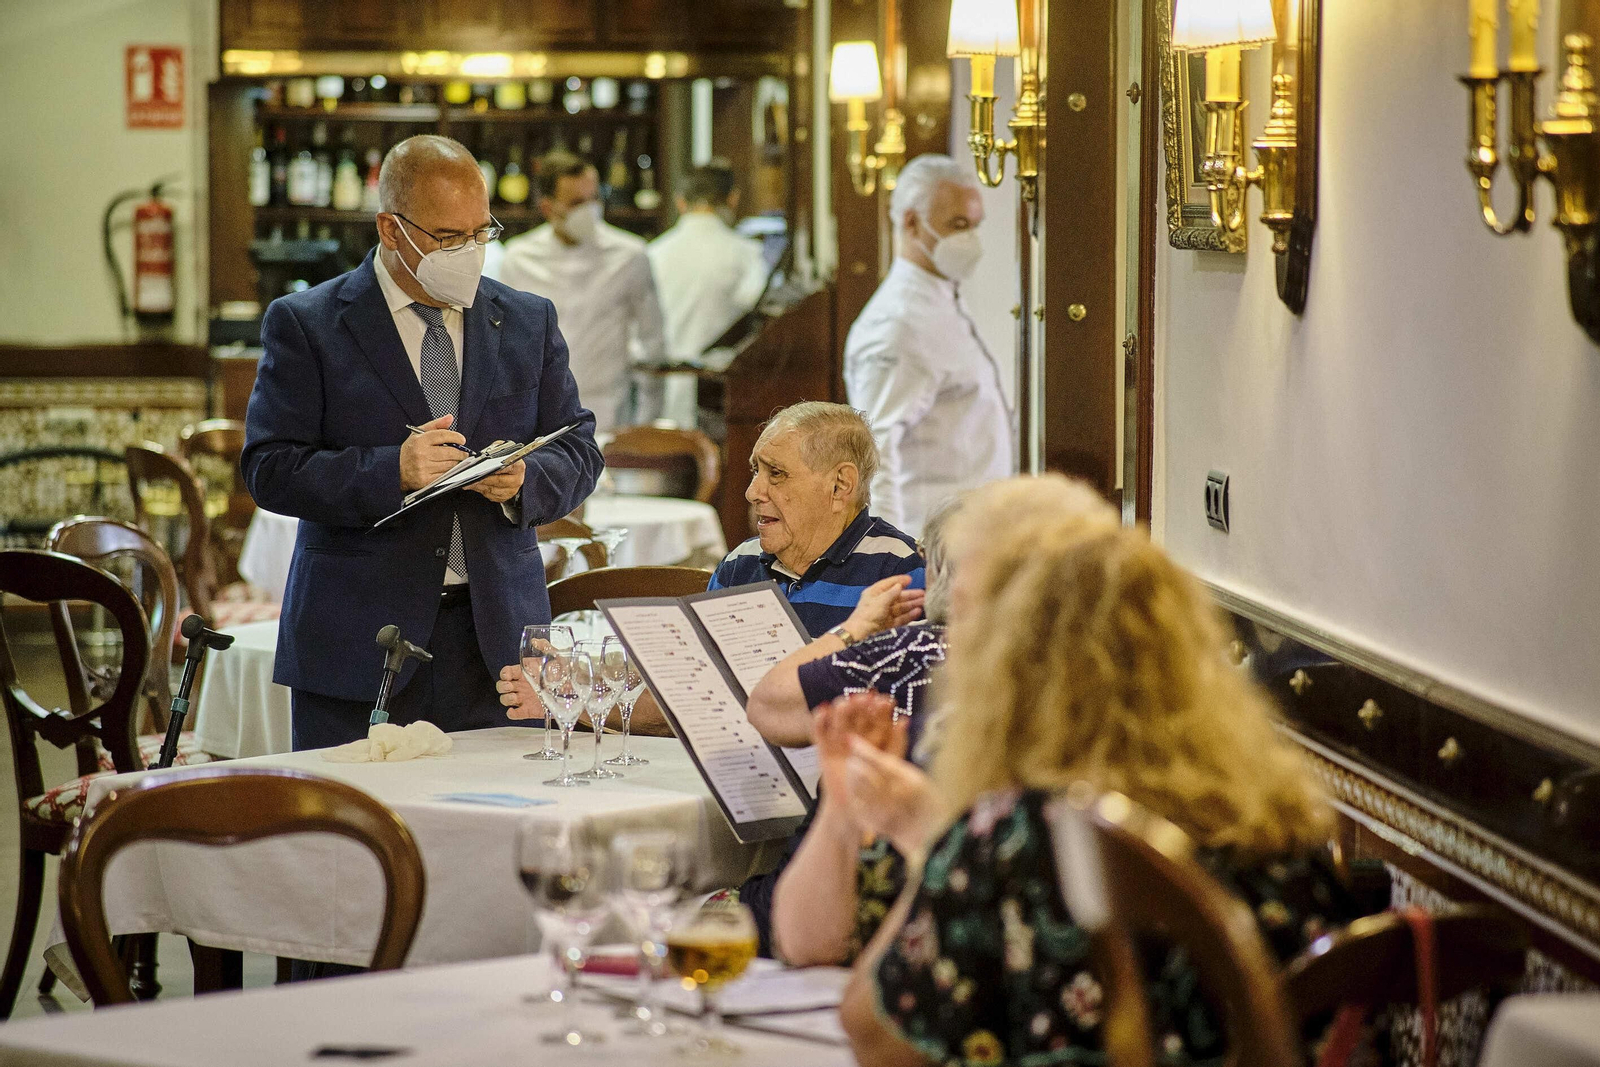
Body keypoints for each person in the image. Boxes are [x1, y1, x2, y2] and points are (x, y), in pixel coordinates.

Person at [832, 516, 1367, 1067]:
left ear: (1013, 668)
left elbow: (875, 1036)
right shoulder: (1268, 812)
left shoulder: (1013, 835)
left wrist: (931, 841)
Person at [242, 134, 602, 752]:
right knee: (352, 836)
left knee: (496, 835)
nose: (467, 253)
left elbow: (579, 450)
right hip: (360, 639)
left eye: (479, 234)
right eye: (446, 238)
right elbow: (269, 468)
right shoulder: (308, 323)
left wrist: (525, 481)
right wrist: (393, 471)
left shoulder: (527, 319)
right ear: (390, 229)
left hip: (498, 643)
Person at [763, 477, 1119, 966]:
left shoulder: (1077, 768)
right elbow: (805, 946)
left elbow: (888, 1010)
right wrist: (840, 817)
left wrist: (925, 835)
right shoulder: (930, 719)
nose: (954, 645)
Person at [843, 153, 1015, 538]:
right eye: (957, 225)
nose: (969, 238)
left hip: (973, 532)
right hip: (927, 542)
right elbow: (875, 452)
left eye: (973, 225)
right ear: (911, 222)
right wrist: (893, 559)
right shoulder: (898, 322)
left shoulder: (940, 300)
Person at [496, 149, 666, 433]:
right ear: (548, 208)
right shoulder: (518, 259)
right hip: (540, 423)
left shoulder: (631, 255)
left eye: (594, 198)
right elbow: (507, 349)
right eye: (577, 203)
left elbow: (653, 343)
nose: (590, 210)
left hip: (611, 417)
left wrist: (647, 424)